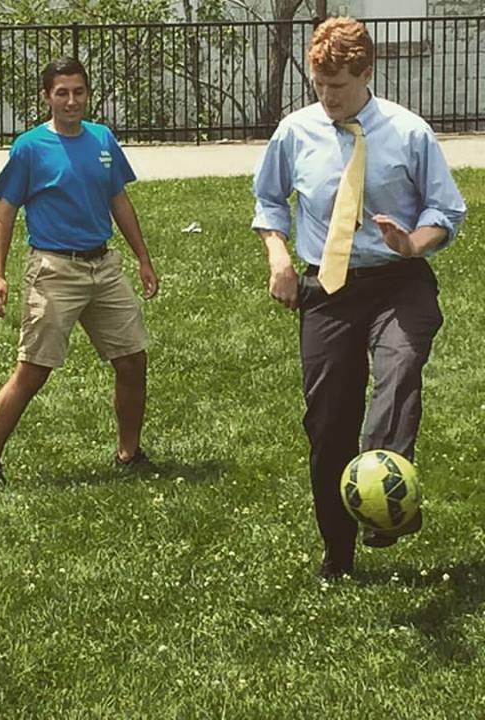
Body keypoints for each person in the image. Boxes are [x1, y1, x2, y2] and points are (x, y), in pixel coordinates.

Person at [251, 17, 467, 579]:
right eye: (320, 85)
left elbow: (447, 213)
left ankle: (384, 505)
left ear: (367, 73)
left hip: (400, 281)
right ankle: (338, 551)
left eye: (339, 86)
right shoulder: (296, 132)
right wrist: (278, 256)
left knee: (397, 375)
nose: (328, 98)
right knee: (328, 422)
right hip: (327, 287)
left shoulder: (408, 132)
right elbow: (270, 202)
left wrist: (412, 241)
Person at [0, 56, 159, 487]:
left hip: (103, 266)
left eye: (79, 91)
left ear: (88, 93)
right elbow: (4, 213)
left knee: (132, 360)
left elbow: (119, 201)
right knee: (33, 369)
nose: (71, 100)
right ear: (47, 97)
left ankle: (129, 453)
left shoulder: (103, 139)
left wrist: (142, 258)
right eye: (62, 92)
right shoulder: (30, 147)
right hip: (54, 268)